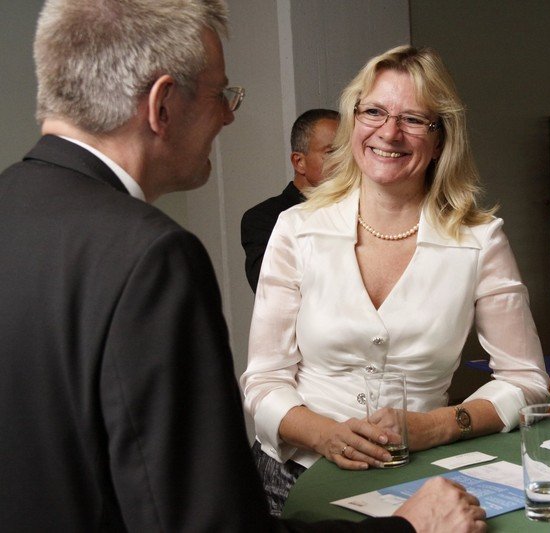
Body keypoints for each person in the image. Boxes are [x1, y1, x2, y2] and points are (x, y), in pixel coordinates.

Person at [0, 2, 486, 532]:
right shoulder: (152, 256)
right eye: (221, 95)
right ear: (162, 104)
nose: (229, 116)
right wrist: (408, 528)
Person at [241, 44, 550, 514]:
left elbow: (526, 380)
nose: (389, 132)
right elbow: (264, 380)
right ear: (353, 122)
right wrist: (325, 435)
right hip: (291, 481)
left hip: (420, 479)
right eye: (374, 112)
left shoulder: (480, 239)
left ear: (440, 138)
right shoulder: (296, 228)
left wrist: (437, 426)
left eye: (413, 119)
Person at [241, 109, 339, 292]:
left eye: (348, 152)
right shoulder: (263, 218)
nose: (344, 161)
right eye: (332, 152)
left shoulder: (361, 209)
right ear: (299, 162)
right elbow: (271, 291)